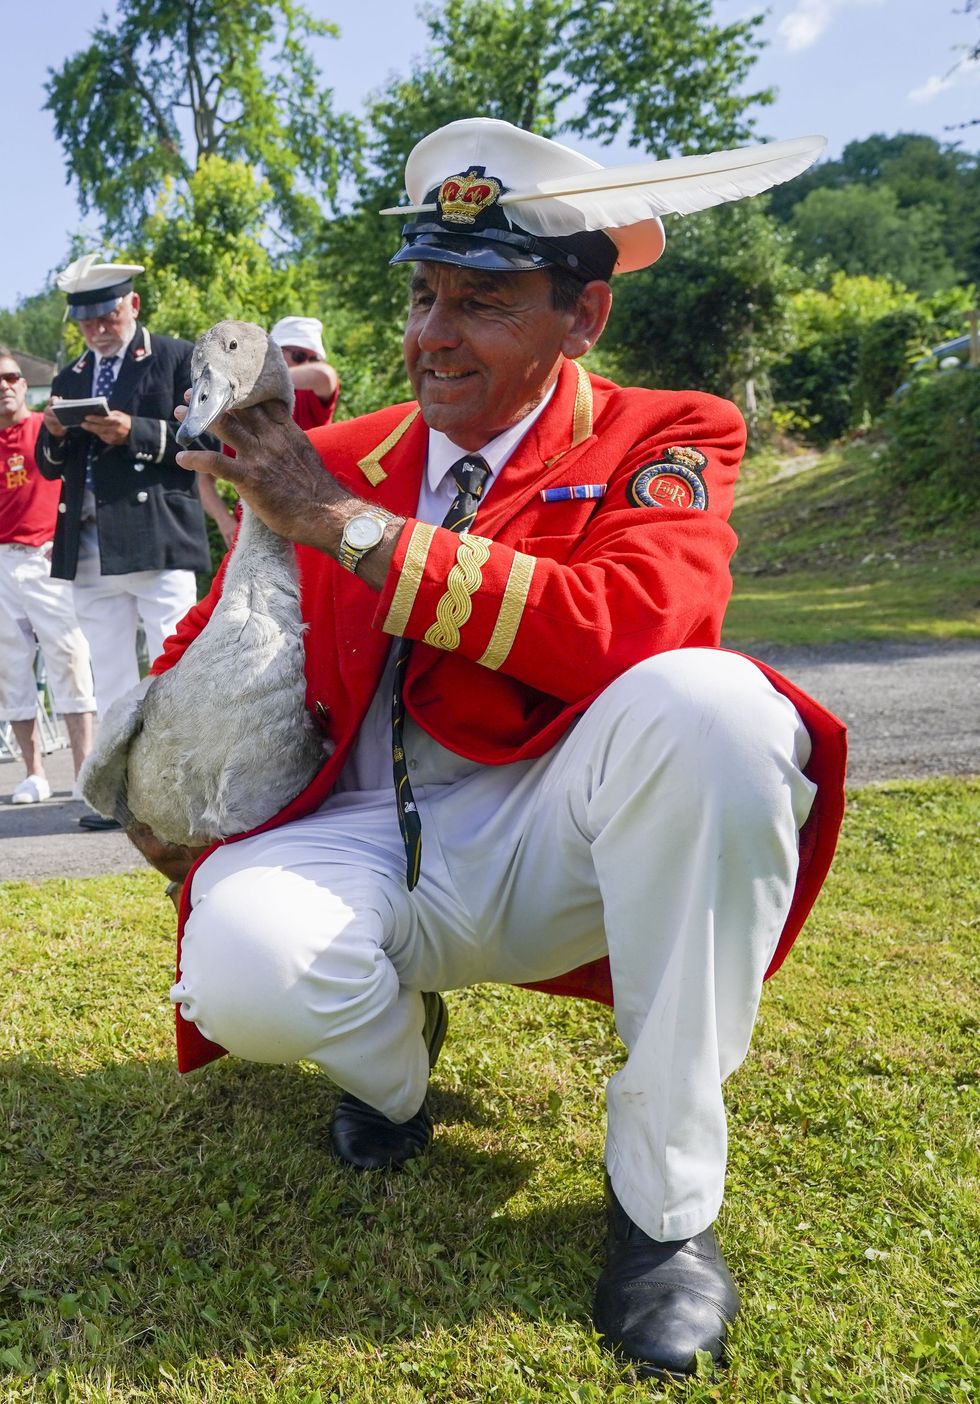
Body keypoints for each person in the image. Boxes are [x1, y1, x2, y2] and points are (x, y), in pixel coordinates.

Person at [135, 120, 847, 1380]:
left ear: (584, 319)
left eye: (485, 301)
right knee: (240, 967)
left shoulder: (666, 431)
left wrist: (344, 526)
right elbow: (223, 632)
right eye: (421, 295)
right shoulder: (339, 458)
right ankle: (396, 1075)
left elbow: (636, 627)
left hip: (555, 834)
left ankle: (663, 1216)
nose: (430, 335)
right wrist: (151, 761)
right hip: (358, 832)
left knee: (716, 708)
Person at [34, 255, 225, 828]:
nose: (98, 327)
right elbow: (49, 468)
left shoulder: (173, 356)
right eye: (87, 319)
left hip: (156, 537)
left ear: (132, 305)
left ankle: (183, 789)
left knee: (173, 663)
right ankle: (121, 797)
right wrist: (53, 434)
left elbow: (212, 433)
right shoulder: (69, 375)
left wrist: (134, 433)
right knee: (112, 674)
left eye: (108, 313)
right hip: (91, 545)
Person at [0, 348, 96, 803]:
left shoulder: (47, 426)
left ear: (23, 383)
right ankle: (33, 773)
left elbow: (82, 476)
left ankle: (83, 773)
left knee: (70, 659)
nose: (4, 386)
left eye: (11, 376)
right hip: (1, 564)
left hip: (46, 558)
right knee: (11, 670)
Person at [269, 315, 340, 430]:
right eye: (299, 356)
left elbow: (324, 375)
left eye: (314, 360)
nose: (307, 365)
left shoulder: (309, 395)